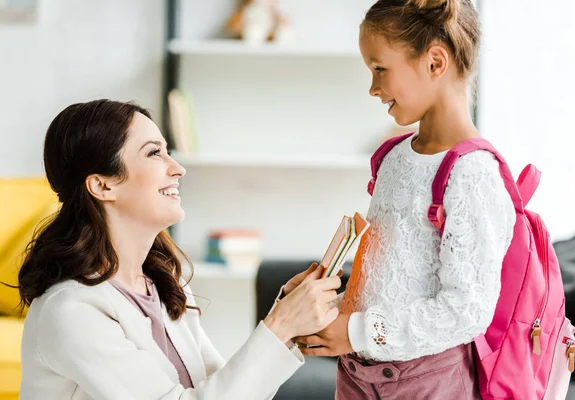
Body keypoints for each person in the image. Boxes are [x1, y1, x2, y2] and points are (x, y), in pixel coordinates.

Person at [16, 99, 342, 400]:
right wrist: (281, 324)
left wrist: (287, 320)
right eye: (154, 153)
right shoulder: (70, 311)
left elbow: (225, 389)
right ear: (103, 185)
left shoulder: (164, 284)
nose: (178, 168)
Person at [295, 0, 516, 398]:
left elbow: (467, 310)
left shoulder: (475, 174)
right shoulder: (393, 158)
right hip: (358, 376)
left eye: (380, 68)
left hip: (428, 385)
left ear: (435, 62)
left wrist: (358, 332)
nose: (373, 87)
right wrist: (335, 314)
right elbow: (389, 281)